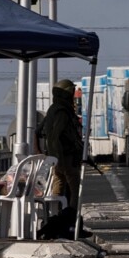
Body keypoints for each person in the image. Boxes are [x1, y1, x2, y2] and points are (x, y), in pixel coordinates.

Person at [39, 79, 85, 212]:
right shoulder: (62, 112)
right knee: (75, 190)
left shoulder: (54, 110)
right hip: (66, 158)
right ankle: (71, 218)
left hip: (57, 158)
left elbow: (40, 133)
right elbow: (57, 136)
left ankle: (56, 215)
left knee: (58, 190)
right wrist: (61, 159)